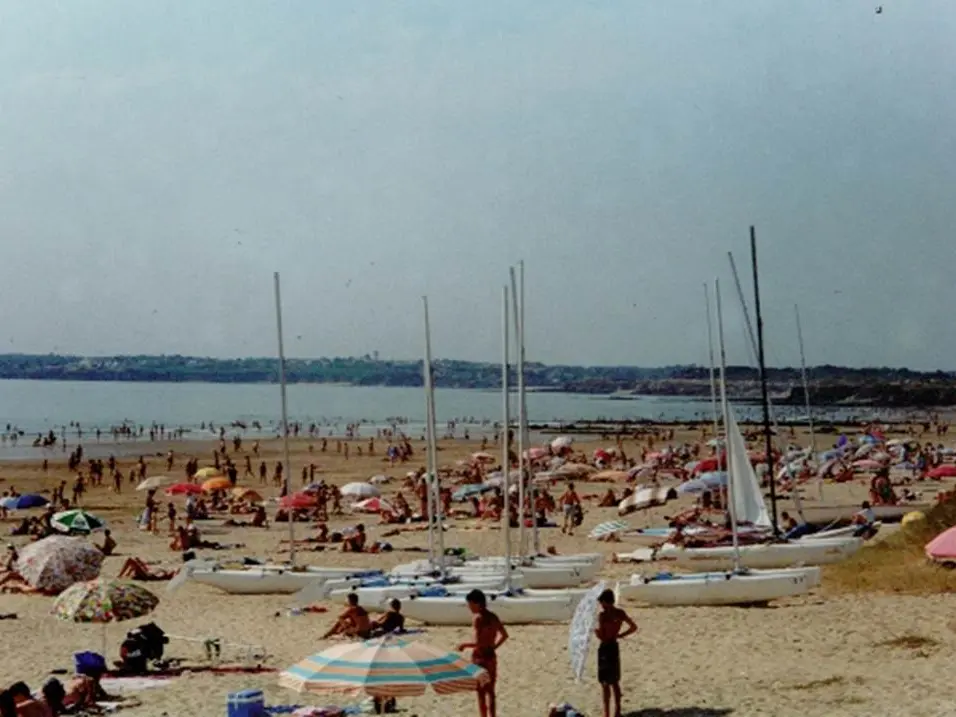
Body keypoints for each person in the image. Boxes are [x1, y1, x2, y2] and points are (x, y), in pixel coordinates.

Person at [458, 589, 508, 717]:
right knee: (491, 691)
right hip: (491, 656)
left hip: (480, 657)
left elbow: (478, 642)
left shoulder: (478, 619)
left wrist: (464, 645)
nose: (469, 607)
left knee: (480, 692)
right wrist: (494, 647)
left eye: (470, 604)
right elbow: (504, 635)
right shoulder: (493, 617)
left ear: (477, 603)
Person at [594, 588, 637, 717]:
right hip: (614, 646)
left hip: (605, 647)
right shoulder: (620, 613)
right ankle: (617, 711)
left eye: (602, 602)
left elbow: (602, 636)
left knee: (605, 683)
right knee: (615, 681)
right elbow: (634, 627)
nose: (601, 605)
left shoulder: (603, 616)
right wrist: (620, 634)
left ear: (605, 602)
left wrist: (596, 632)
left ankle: (606, 713)